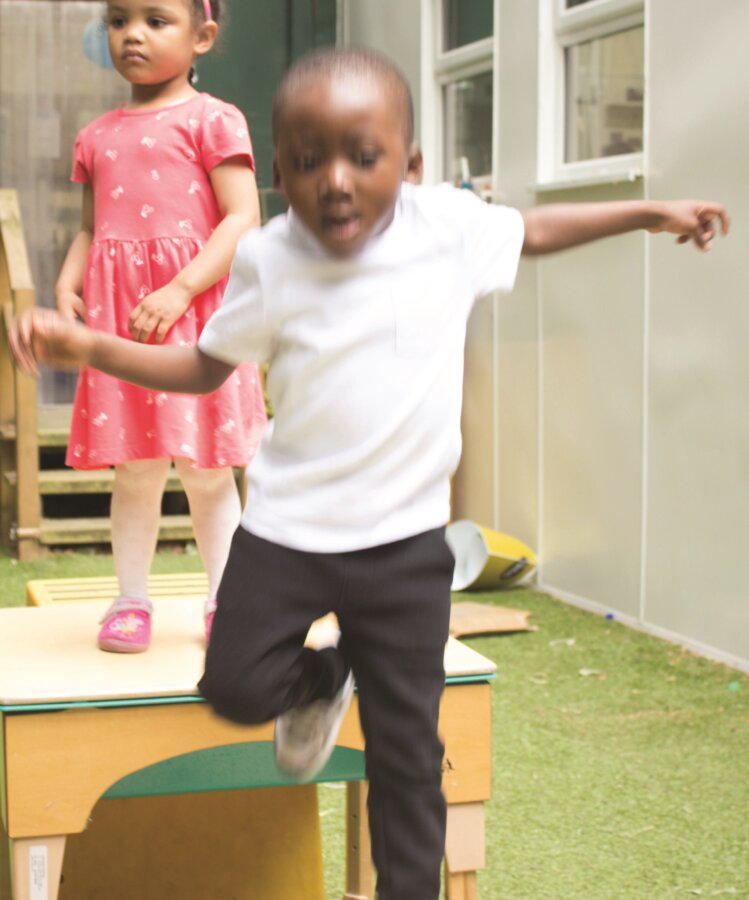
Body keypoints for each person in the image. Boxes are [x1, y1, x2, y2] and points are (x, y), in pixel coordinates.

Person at [10, 46, 729, 900]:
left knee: (405, 753)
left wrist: (649, 212)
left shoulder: (447, 228)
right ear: (279, 170)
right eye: (310, 162)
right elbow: (205, 367)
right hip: (287, 533)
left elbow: (533, 230)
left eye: (364, 155)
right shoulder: (267, 258)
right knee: (235, 685)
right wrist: (93, 347)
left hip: (402, 547)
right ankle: (323, 674)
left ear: (411, 165)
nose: (337, 181)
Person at [54, 0, 267, 653]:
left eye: (154, 20)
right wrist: (68, 278)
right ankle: (129, 600)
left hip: (196, 318)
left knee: (207, 472)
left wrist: (179, 288)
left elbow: (240, 218)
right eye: (119, 21)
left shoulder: (214, 120)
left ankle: (224, 601)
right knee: (137, 471)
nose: (133, 35)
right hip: (123, 328)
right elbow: (93, 228)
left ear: (202, 36)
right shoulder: (94, 136)